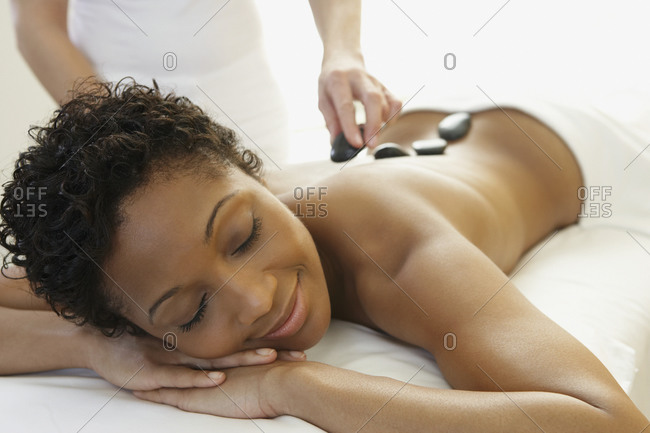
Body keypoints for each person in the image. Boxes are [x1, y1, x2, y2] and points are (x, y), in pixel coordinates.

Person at [0, 79, 647, 432]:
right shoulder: (149, 245)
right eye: (193, 310)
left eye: (245, 235)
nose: (257, 297)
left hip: (590, 145)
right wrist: (92, 347)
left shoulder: (394, 243)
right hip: (427, 138)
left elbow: (606, 423)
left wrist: (296, 385)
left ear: (249, 172)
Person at [10, 0, 401, 159]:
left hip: (247, 104)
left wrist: (342, 51)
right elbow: (37, 25)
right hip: (117, 112)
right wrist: (119, 136)